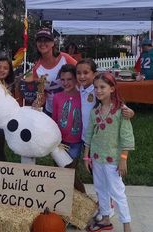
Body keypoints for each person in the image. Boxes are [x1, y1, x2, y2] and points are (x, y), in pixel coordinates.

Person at [76, 58, 134, 221]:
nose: (82, 76)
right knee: (100, 183)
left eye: (86, 72)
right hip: (92, 145)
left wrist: (130, 112)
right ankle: (105, 211)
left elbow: (123, 122)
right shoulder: (79, 90)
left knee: (113, 186)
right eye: (78, 73)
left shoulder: (108, 101)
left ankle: (110, 210)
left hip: (110, 152)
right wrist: (87, 154)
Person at [52, 64, 85, 193]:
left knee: (71, 173)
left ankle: (84, 199)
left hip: (75, 142)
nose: (66, 83)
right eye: (63, 79)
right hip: (59, 142)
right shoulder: (57, 97)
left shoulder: (83, 97)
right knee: (59, 173)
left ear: (76, 79)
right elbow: (54, 120)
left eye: (69, 79)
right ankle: (62, 200)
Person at [32, 28, 77, 117]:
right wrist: (36, 104)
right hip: (51, 111)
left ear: (53, 43)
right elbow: (42, 92)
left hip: (72, 107)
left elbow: (81, 73)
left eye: (46, 40)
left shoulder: (65, 58)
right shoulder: (36, 68)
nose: (43, 43)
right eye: (39, 41)